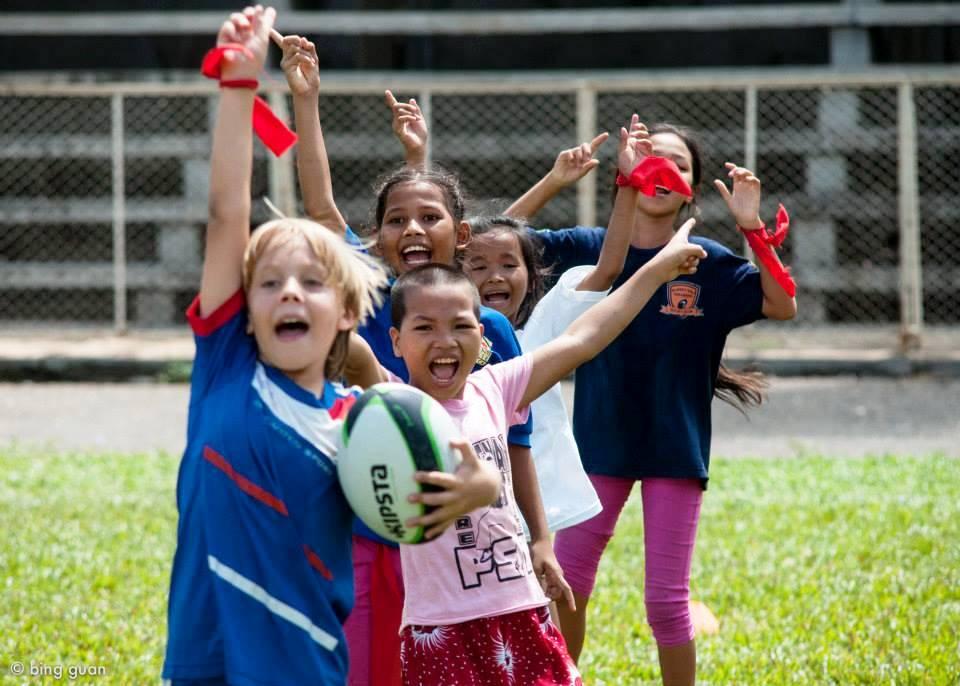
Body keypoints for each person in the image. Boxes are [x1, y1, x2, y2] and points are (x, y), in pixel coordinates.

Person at [162, 9, 500, 684]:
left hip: (312, 670)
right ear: (245, 311)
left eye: (312, 283)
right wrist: (240, 84)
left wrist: (477, 486)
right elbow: (227, 214)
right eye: (269, 283)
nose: (289, 293)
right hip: (206, 666)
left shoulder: (365, 423)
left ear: (349, 310)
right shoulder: (226, 369)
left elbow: (460, 468)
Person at [273, 32, 546, 686]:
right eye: (396, 222)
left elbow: (517, 448)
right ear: (377, 238)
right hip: (373, 534)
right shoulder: (368, 298)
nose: (413, 231)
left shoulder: (491, 330)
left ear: (462, 234)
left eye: (429, 220)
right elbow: (321, 210)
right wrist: (306, 101)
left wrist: (540, 537)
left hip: (467, 552)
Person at [345, 213, 706, 685]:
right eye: (424, 328)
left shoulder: (496, 388)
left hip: (522, 609)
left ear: (482, 337)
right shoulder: (394, 405)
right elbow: (348, 350)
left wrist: (656, 270)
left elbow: (584, 337)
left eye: (460, 326)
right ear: (395, 341)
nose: (444, 341)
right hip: (440, 628)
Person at [533, 122, 797, 686]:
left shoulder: (708, 261)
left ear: (690, 192)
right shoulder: (590, 249)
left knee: (665, 602)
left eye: (678, 164)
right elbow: (500, 241)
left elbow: (781, 304)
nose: (662, 169)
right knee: (567, 584)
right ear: (628, 170)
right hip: (599, 446)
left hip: (675, 452)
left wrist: (752, 227)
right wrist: (555, 180)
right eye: (651, 156)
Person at [461, 115, 651, 535]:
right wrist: (552, 181)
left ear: (532, 276)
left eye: (509, 266)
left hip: (540, 511)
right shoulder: (443, 333)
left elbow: (608, 268)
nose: (495, 276)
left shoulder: (544, 325)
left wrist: (629, 184)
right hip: (467, 512)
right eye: (479, 267)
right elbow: (483, 239)